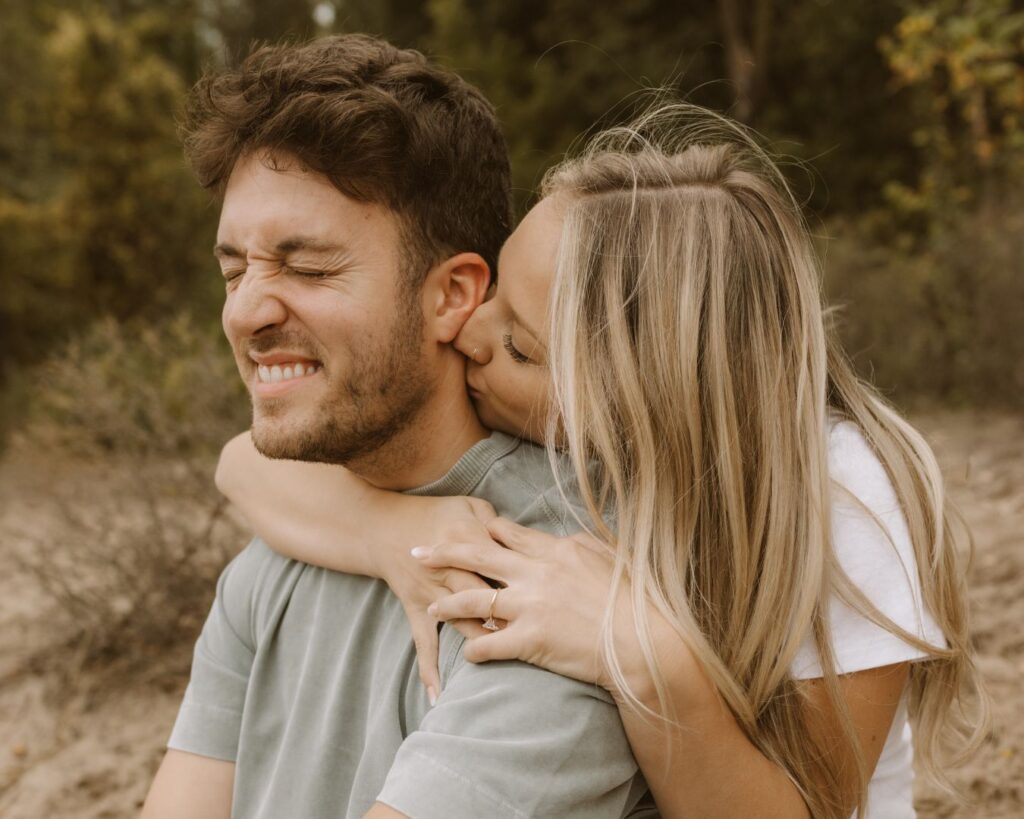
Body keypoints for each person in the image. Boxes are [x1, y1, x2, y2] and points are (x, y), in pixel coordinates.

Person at [216, 104, 989, 818]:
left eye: (520, 344)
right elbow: (243, 464)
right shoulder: (561, 447)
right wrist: (393, 531)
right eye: (494, 295)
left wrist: (645, 653)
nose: (468, 335)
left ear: (640, 399)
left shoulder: (841, 494)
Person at [141, 35, 654, 819]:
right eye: (235, 269)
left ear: (452, 294)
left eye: (308, 266)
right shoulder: (282, 549)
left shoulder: (549, 584)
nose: (245, 311)